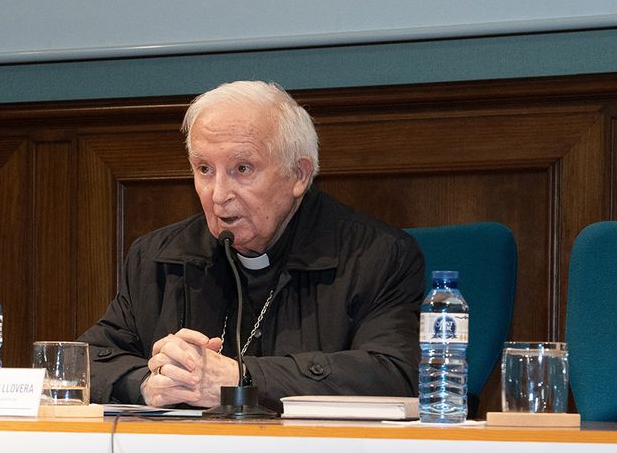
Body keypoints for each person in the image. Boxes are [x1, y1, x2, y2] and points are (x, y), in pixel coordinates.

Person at [80, 80, 423, 408]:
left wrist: (242, 378)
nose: (219, 195)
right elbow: (83, 363)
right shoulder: (157, 257)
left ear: (299, 175)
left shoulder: (378, 256)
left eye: (242, 168)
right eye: (204, 169)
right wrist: (149, 382)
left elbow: (392, 374)